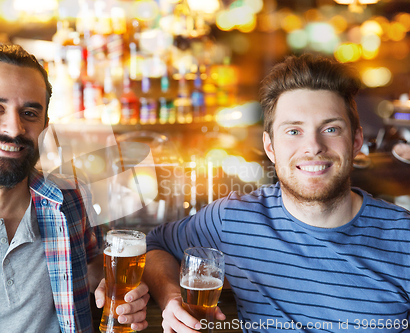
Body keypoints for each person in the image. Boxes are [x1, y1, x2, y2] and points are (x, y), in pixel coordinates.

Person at [143, 54, 410, 333]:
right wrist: (171, 298)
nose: (313, 146)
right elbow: (154, 246)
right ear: (270, 147)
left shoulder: (404, 238)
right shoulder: (233, 219)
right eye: (294, 131)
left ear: (356, 141)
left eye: (330, 128)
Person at [0, 44, 149, 333]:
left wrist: (116, 288)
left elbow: (90, 262)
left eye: (29, 113)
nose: (14, 128)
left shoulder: (72, 200)